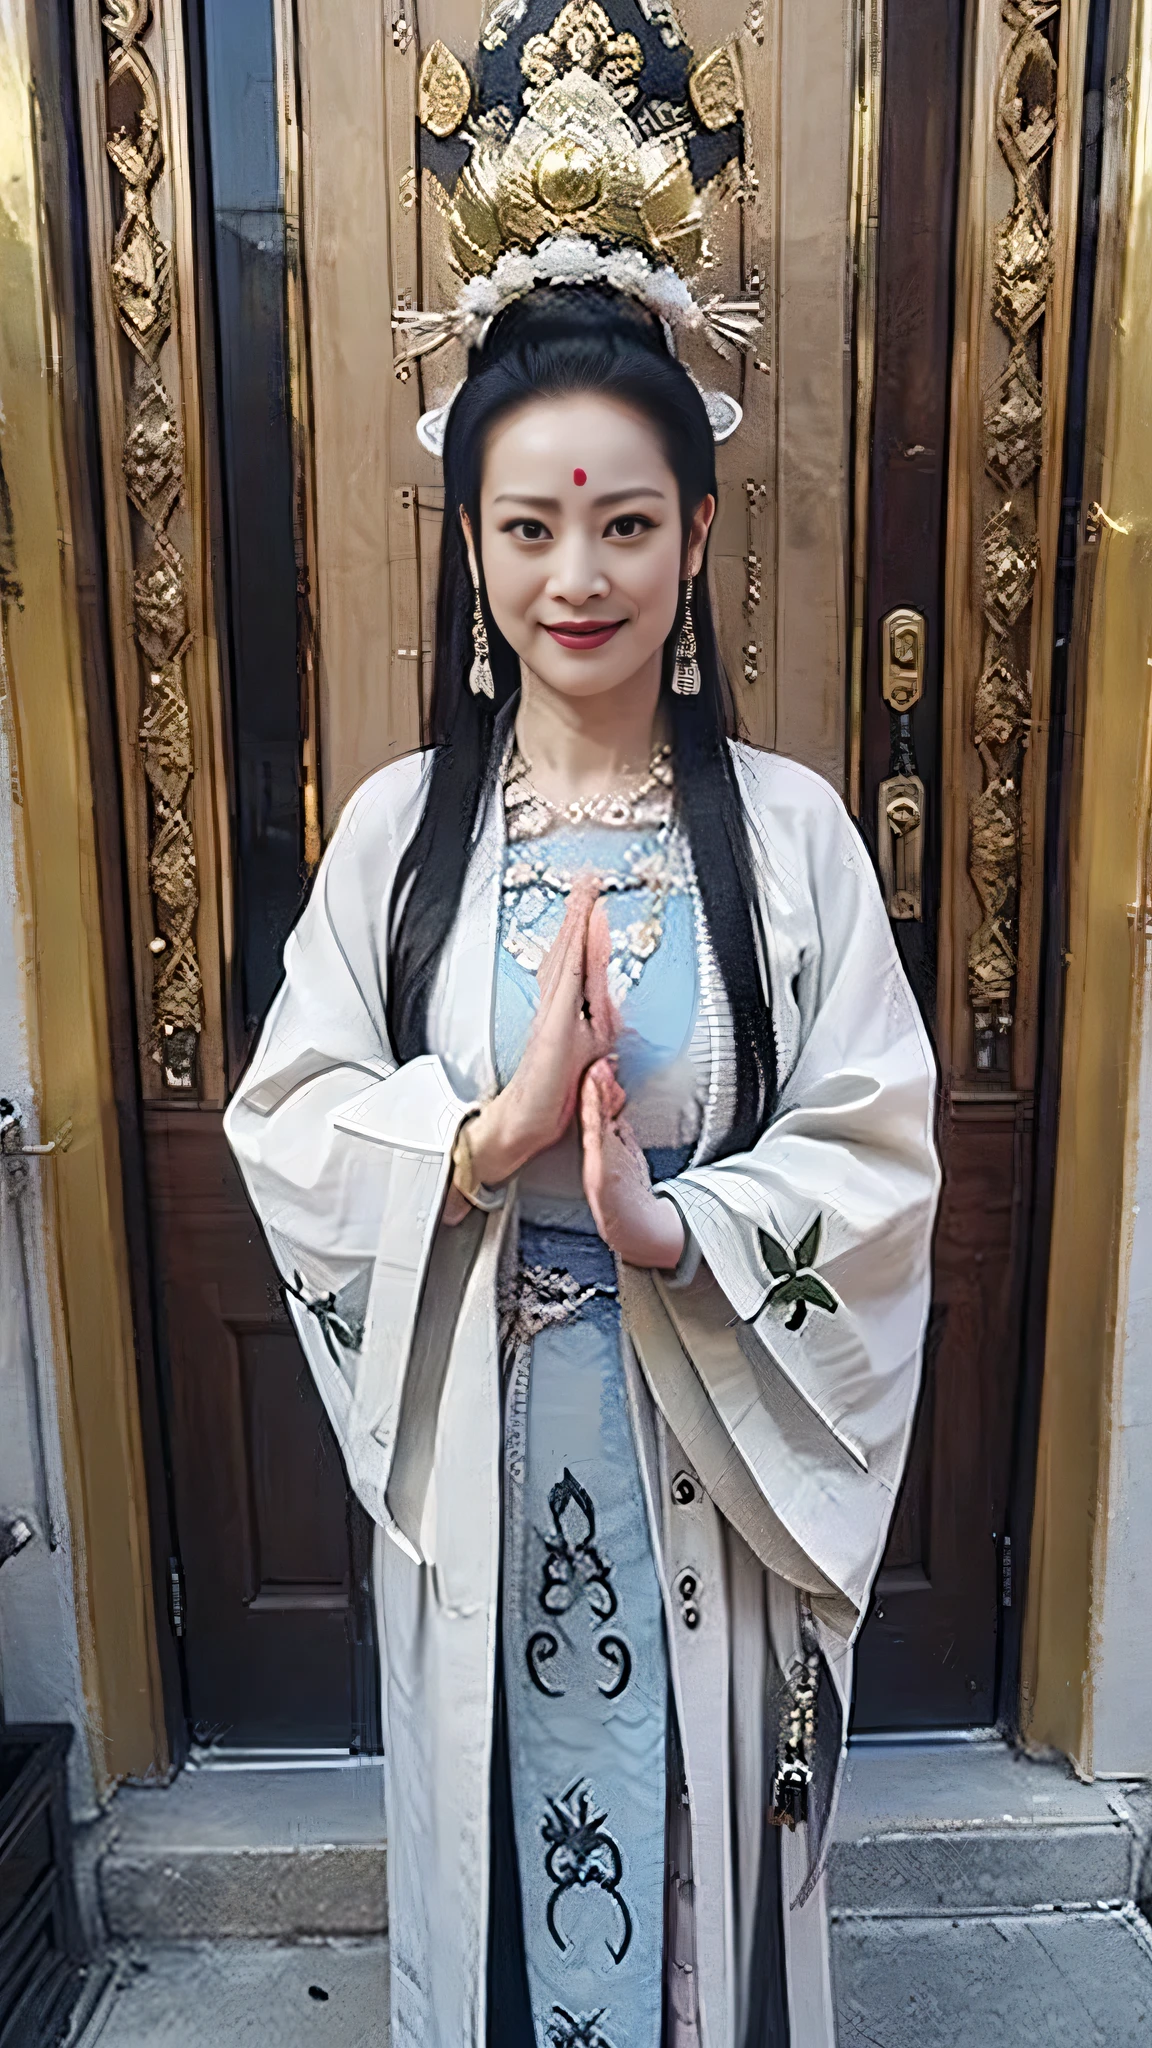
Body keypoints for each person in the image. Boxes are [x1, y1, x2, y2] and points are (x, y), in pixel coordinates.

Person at [225, 23, 938, 2045]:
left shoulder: (786, 839)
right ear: (470, 543)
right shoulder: (403, 834)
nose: (578, 573)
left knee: (690, 1902)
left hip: (700, 1459)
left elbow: (881, 1156)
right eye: (530, 525)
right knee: (515, 1918)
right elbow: (289, 1120)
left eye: (626, 523)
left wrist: (667, 1225)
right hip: (488, 1462)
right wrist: (479, 1138)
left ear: (698, 540)